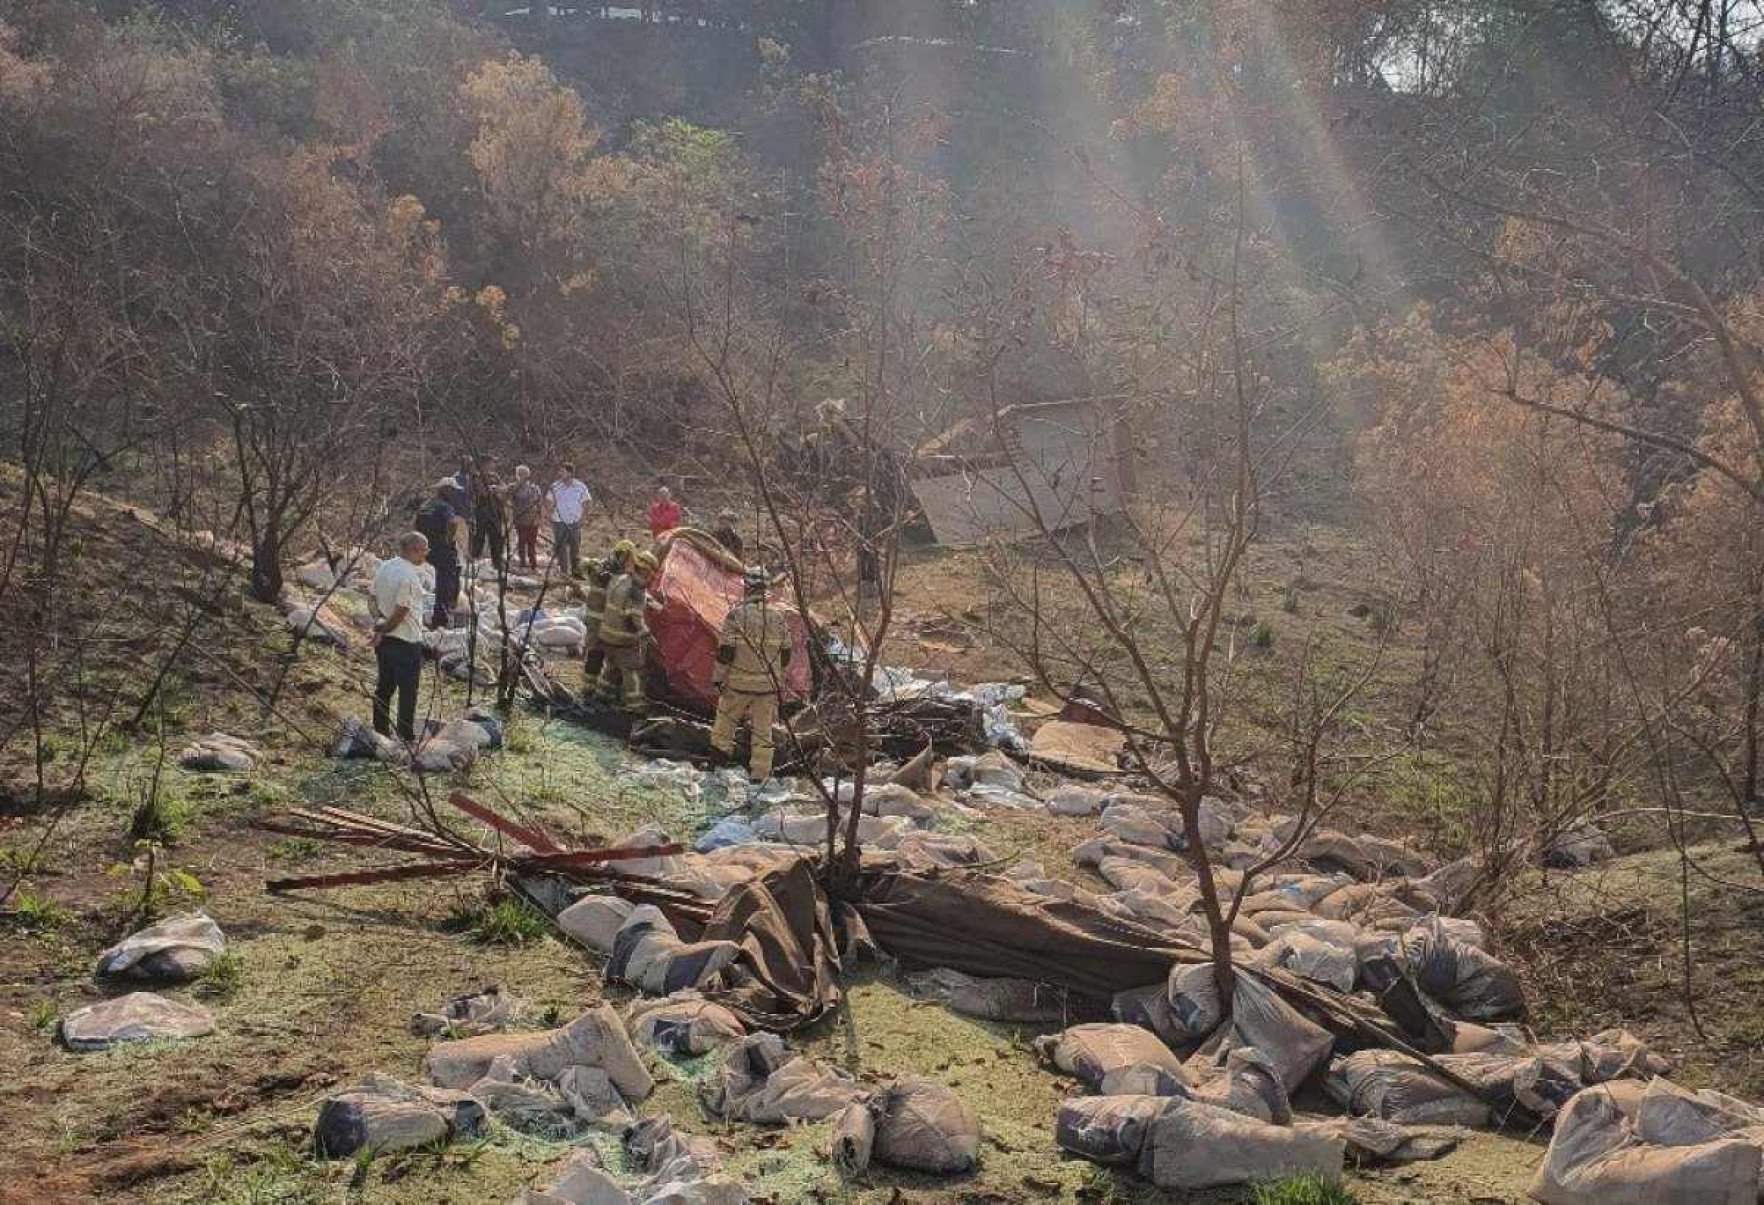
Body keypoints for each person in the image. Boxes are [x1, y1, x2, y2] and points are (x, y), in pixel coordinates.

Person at [710, 566, 791, 781]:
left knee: (724, 726)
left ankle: (719, 766)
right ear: (765, 589)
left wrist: (717, 677)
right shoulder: (778, 617)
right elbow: (786, 653)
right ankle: (759, 776)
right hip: (767, 688)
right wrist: (779, 678)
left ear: (747, 587)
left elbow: (726, 652)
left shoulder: (736, 616)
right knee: (763, 733)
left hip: (738, 685)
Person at [370, 531, 430, 742]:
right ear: (413, 549)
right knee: (408, 691)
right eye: (424, 550)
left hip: (385, 638)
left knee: (384, 687)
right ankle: (406, 735)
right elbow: (402, 610)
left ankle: (380, 730)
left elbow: (372, 599)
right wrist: (385, 629)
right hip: (405, 640)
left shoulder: (385, 567)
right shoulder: (409, 576)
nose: (426, 554)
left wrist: (378, 626)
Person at [594, 549, 660, 714]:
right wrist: (646, 635)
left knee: (612, 666)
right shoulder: (636, 590)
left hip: (606, 635)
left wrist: (651, 603)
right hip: (622, 639)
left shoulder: (620, 579)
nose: (651, 579)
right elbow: (634, 616)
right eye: (651, 574)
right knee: (633, 671)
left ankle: (600, 696)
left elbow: (623, 602)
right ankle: (635, 706)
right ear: (645, 571)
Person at [573, 538, 634, 682]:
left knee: (607, 655)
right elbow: (582, 565)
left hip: (608, 621)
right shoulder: (601, 569)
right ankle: (589, 686)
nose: (626, 562)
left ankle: (598, 686)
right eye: (625, 558)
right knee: (595, 653)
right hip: (596, 620)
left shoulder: (617, 574)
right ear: (619, 554)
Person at [414, 478, 466, 627]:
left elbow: (416, 526)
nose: (455, 494)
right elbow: (451, 526)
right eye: (453, 491)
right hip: (442, 548)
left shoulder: (425, 505)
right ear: (446, 490)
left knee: (439, 579)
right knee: (448, 578)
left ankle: (439, 612)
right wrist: (451, 543)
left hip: (425, 547)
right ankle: (443, 616)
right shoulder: (445, 508)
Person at [547, 463, 592, 577]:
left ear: (570, 473)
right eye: (560, 471)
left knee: (575, 548)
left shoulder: (580, 486)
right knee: (561, 548)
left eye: (563, 471)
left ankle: (576, 572)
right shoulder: (555, 486)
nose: (560, 474)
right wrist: (548, 514)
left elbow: (586, 503)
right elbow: (549, 501)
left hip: (574, 522)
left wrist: (583, 518)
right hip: (559, 521)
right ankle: (564, 572)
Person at [469, 454, 507, 571]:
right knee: (479, 538)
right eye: (491, 462)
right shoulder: (476, 477)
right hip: (481, 510)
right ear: (485, 464)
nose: (493, 465)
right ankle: (473, 564)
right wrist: (490, 489)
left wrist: (497, 489)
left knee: (497, 538)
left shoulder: (494, 476)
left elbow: (504, 488)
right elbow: (482, 493)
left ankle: (497, 563)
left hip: (495, 511)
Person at [510, 465, 544, 573]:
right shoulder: (514, 487)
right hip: (522, 520)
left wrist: (540, 517)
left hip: (531, 521)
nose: (521, 476)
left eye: (523, 474)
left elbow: (539, 504)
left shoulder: (534, 488)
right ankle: (525, 564)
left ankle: (531, 565)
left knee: (529, 544)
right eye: (520, 474)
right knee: (523, 543)